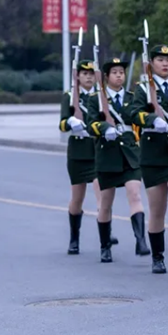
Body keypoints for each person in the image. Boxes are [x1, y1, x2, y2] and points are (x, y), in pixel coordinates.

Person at [127, 44, 168, 273]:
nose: (165, 63)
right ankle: (158, 256)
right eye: (160, 59)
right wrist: (150, 119)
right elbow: (133, 113)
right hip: (153, 153)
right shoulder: (144, 89)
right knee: (157, 210)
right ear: (151, 63)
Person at [86, 57, 148, 262]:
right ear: (106, 76)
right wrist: (104, 129)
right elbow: (91, 124)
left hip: (130, 154)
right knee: (106, 203)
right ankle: (105, 246)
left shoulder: (132, 97)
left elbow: (139, 117)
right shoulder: (97, 99)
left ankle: (141, 240)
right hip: (107, 154)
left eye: (121, 72)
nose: (119, 75)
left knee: (135, 194)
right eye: (115, 72)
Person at [59, 60, 102, 255]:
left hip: (96, 150)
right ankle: (74, 238)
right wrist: (70, 122)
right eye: (85, 74)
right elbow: (61, 124)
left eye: (92, 74)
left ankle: (105, 230)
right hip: (77, 152)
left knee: (102, 192)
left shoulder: (100, 96)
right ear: (78, 76)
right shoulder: (69, 96)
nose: (88, 77)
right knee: (77, 198)